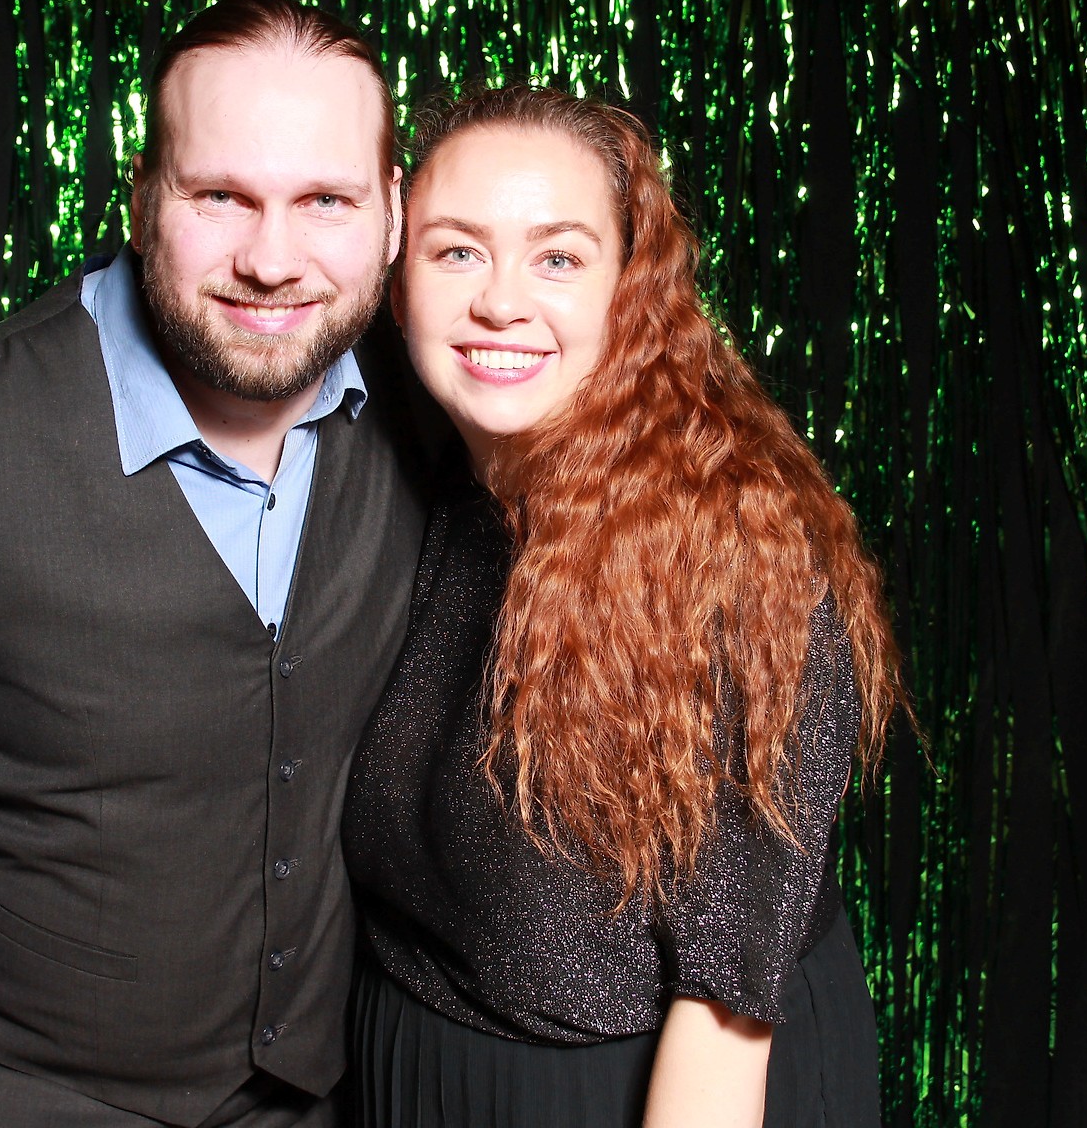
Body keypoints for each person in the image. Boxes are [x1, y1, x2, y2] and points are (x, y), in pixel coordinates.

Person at [0, 0, 425, 1128]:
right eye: (220, 196)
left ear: (393, 213)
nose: (271, 259)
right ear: (143, 198)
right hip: (5, 1095)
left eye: (326, 201)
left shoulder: (436, 408)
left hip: (314, 1097)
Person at [342, 87, 905, 1127]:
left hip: (627, 1090)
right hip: (418, 1068)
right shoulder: (444, 478)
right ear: (396, 277)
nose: (501, 302)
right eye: (457, 251)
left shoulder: (735, 549)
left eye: (557, 258)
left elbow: (725, 1005)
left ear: (630, 290)